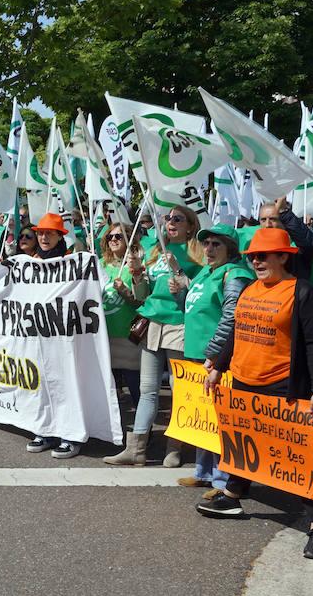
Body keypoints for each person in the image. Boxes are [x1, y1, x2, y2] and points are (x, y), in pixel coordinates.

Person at [198, 227, 313, 560]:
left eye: (263, 256)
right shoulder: (249, 290)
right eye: (253, 256)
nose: (257, 261)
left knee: (302, 456)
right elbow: (237, 332)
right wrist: (219, 366)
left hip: (283, 386)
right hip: (244, 381)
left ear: (283, 257)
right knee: (244, 442)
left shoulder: (301, 292)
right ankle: (232, 493)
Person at [105, 204, 204, 467]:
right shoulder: (156, 251)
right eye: (168, 218)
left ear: (190, 225)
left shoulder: (198, 256)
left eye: (178, 219)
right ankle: (135, 450)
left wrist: (181, 276)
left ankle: (174, 448)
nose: (170, 222)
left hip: (178, 326)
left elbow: (196, 296)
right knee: (147, 389)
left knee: (177, 389)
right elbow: (141, 296)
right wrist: (137, 272)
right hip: (152, 324)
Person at [181, 224, 255, 495]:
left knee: (221, 421)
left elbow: (231, 317)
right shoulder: (206, 271)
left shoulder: (234, 274)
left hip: (217, 359)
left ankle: (223, 481)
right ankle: (204, 472)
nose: (209, 249)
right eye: (207, 243)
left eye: (216, 244)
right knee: (202, 417)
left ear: (230, 249)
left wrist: (214, 352)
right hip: (196, 355)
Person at [24, 213, 83, 458]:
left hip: (66, 336)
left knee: (66, 384)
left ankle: (70, 435)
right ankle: (45, 430)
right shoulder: (28, 262)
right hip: (38, 335)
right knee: (42, 383)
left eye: (49, 233)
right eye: (40, 233)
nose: (43, 237)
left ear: (60, 236)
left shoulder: (72, 261)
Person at [98, 222, 148, 410]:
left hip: (127, 335)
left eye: (118, 236)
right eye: (110, 236)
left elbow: (142, 300)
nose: (113, 240)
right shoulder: (100, 264)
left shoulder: (135, 265)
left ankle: (143, 430)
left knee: (135, 386)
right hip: (104, 334)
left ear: (129, 239)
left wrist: (126, 291)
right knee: (107, 388)